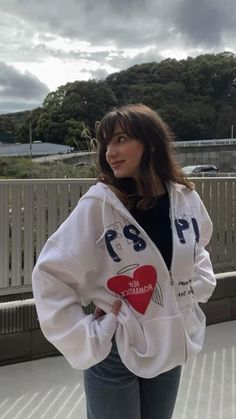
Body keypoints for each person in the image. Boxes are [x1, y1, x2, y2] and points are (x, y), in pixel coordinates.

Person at [32, 104, 216, 419]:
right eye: (107, 144)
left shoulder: (186, 200)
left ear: (152, 143)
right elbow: (51, 273)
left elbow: (199, 249)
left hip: (169, 344)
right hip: (116, 350)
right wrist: (90, 335)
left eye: (120, 140)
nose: (110, 153)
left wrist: (187, 296)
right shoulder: (100, 205)